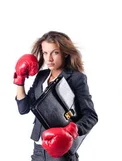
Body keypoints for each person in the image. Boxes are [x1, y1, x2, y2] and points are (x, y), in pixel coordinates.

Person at [14, 31, 99, 161]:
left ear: (65, 53)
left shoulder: (77, 78)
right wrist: (20, 80)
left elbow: (91, 116)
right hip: (38, 150)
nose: (49, 59)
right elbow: (23, 109)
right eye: (45, 53)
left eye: (55, 52)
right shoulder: (42, 76)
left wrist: (71, 131)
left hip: (61, 152)